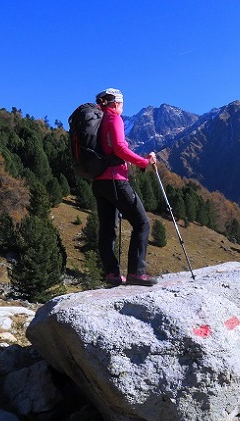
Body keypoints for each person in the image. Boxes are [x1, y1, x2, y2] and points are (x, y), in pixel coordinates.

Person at [93, 88, 158, 286]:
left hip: (99, 181)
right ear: (116, 103)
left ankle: (112, 274)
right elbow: (120, 148)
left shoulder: (97, 120)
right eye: (121, 103)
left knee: (107, 229)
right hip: (116, 180)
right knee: (142, 223)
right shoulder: (114, 118)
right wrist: (143, 162)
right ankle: (136, 273)